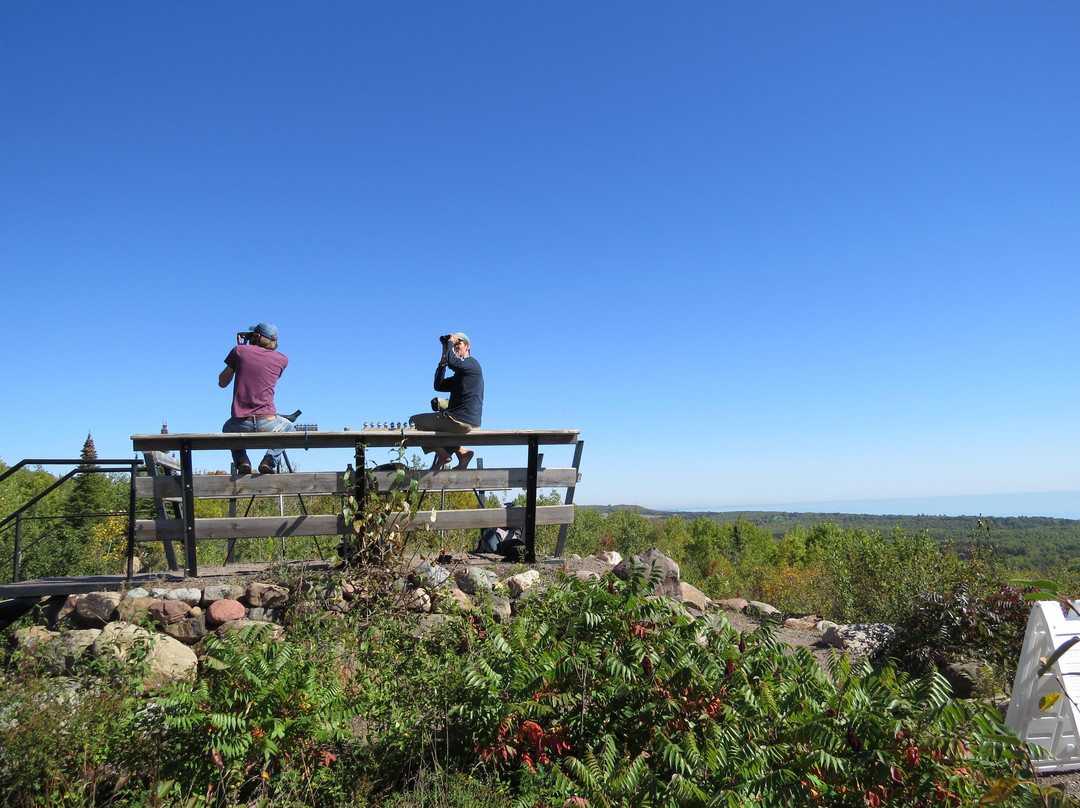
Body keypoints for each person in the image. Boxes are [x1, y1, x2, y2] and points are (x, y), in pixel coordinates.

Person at [219, 322, 295, 474]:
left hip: (240, 423)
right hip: (267, 422)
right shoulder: (282, 359)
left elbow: (222, 382)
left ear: (257, 336)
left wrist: (241, 350)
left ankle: (242, 461)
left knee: (227, 427)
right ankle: (269, 460)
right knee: (290, 428)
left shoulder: (239, 351)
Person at [410, 332, 484, 469]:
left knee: (415, 421)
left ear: (467, 347)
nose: (455, 347)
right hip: (465, 420)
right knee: (438, 428)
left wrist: (449, 343)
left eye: (458, 344)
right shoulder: (461, 375)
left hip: (459, 419)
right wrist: (443, 361)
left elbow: (454, 361)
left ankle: (442, 454)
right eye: (454, 345)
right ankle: (462, 453)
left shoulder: (472, 363)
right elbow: (439, 385)